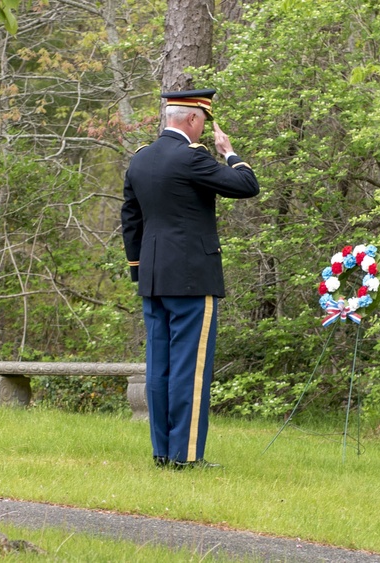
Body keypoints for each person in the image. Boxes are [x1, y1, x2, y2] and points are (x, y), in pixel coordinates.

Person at [121, 89, 260, 469]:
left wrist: (138, 268)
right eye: (203, 122)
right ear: (193, 120)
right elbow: (247, 185)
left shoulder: (141, 160)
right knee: (189, 368)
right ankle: (186, 457)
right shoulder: (192, 158)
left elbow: (130, 220)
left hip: (152, 278)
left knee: (160, 366)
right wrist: (231, 153)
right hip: (192, 278)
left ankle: (162, 452)